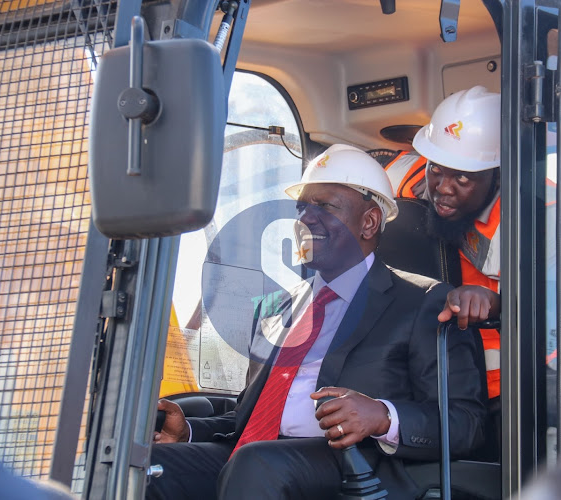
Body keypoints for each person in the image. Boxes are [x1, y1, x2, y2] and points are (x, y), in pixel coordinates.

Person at [146, 144, 488, 500]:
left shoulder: (422, 301)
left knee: (258, 463)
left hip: (352, 465)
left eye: (324, 207)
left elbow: (466, 423)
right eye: (302, 208)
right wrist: (186, 431)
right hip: (255, 457)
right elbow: (253, 421)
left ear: (369, 222)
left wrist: (383, 416)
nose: (304, 219)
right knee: (149, 465)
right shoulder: (273, 309)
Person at [384, 86, 503, 399]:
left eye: (463, 177)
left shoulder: (538, 214)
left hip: (497, 390)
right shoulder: (399, 178)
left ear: (497, 173)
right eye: (436, 167)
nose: (443, 187)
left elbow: (547, 313)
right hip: (406, 369)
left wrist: (496, 302)